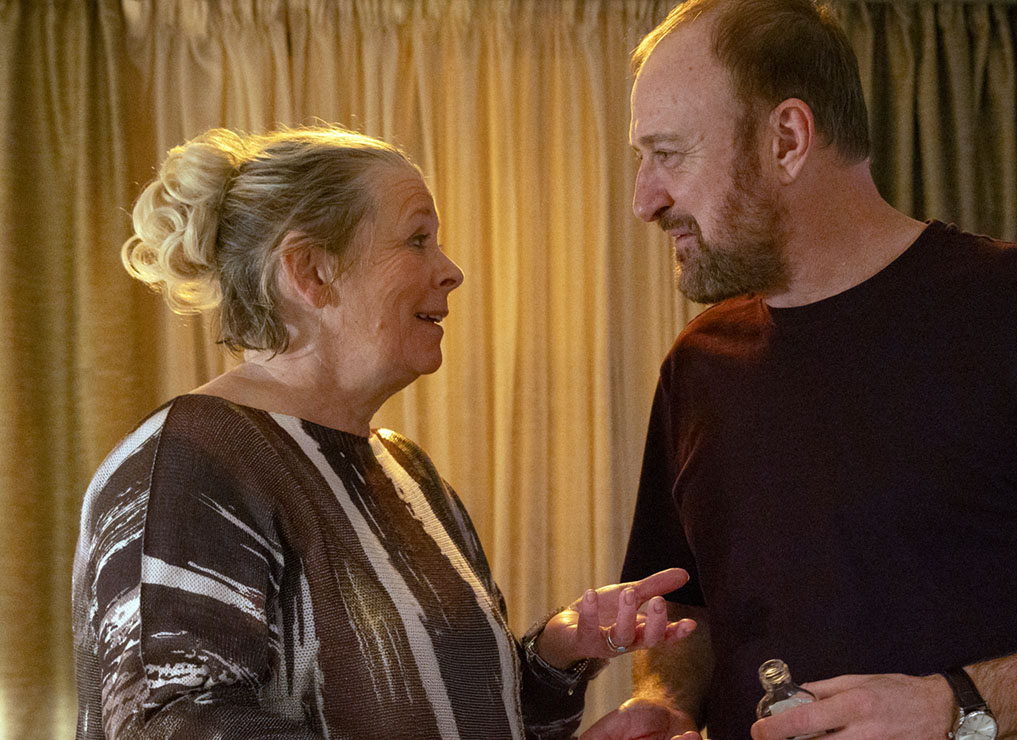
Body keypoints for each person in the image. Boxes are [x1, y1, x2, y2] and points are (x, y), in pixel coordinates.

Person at [586, 1, 1017, 740]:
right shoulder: (697, 364)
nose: (644, 200)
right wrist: (666, 702)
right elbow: (690, 610)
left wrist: (958, 707)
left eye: (668, 154)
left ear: (788, 139)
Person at [71, 126, 695, 740]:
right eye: (417, 239)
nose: (451, 271)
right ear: (311, 271)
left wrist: (558, 655)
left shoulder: (408, 472)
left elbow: (456, 714)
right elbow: (171, 723)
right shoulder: (190, 463)